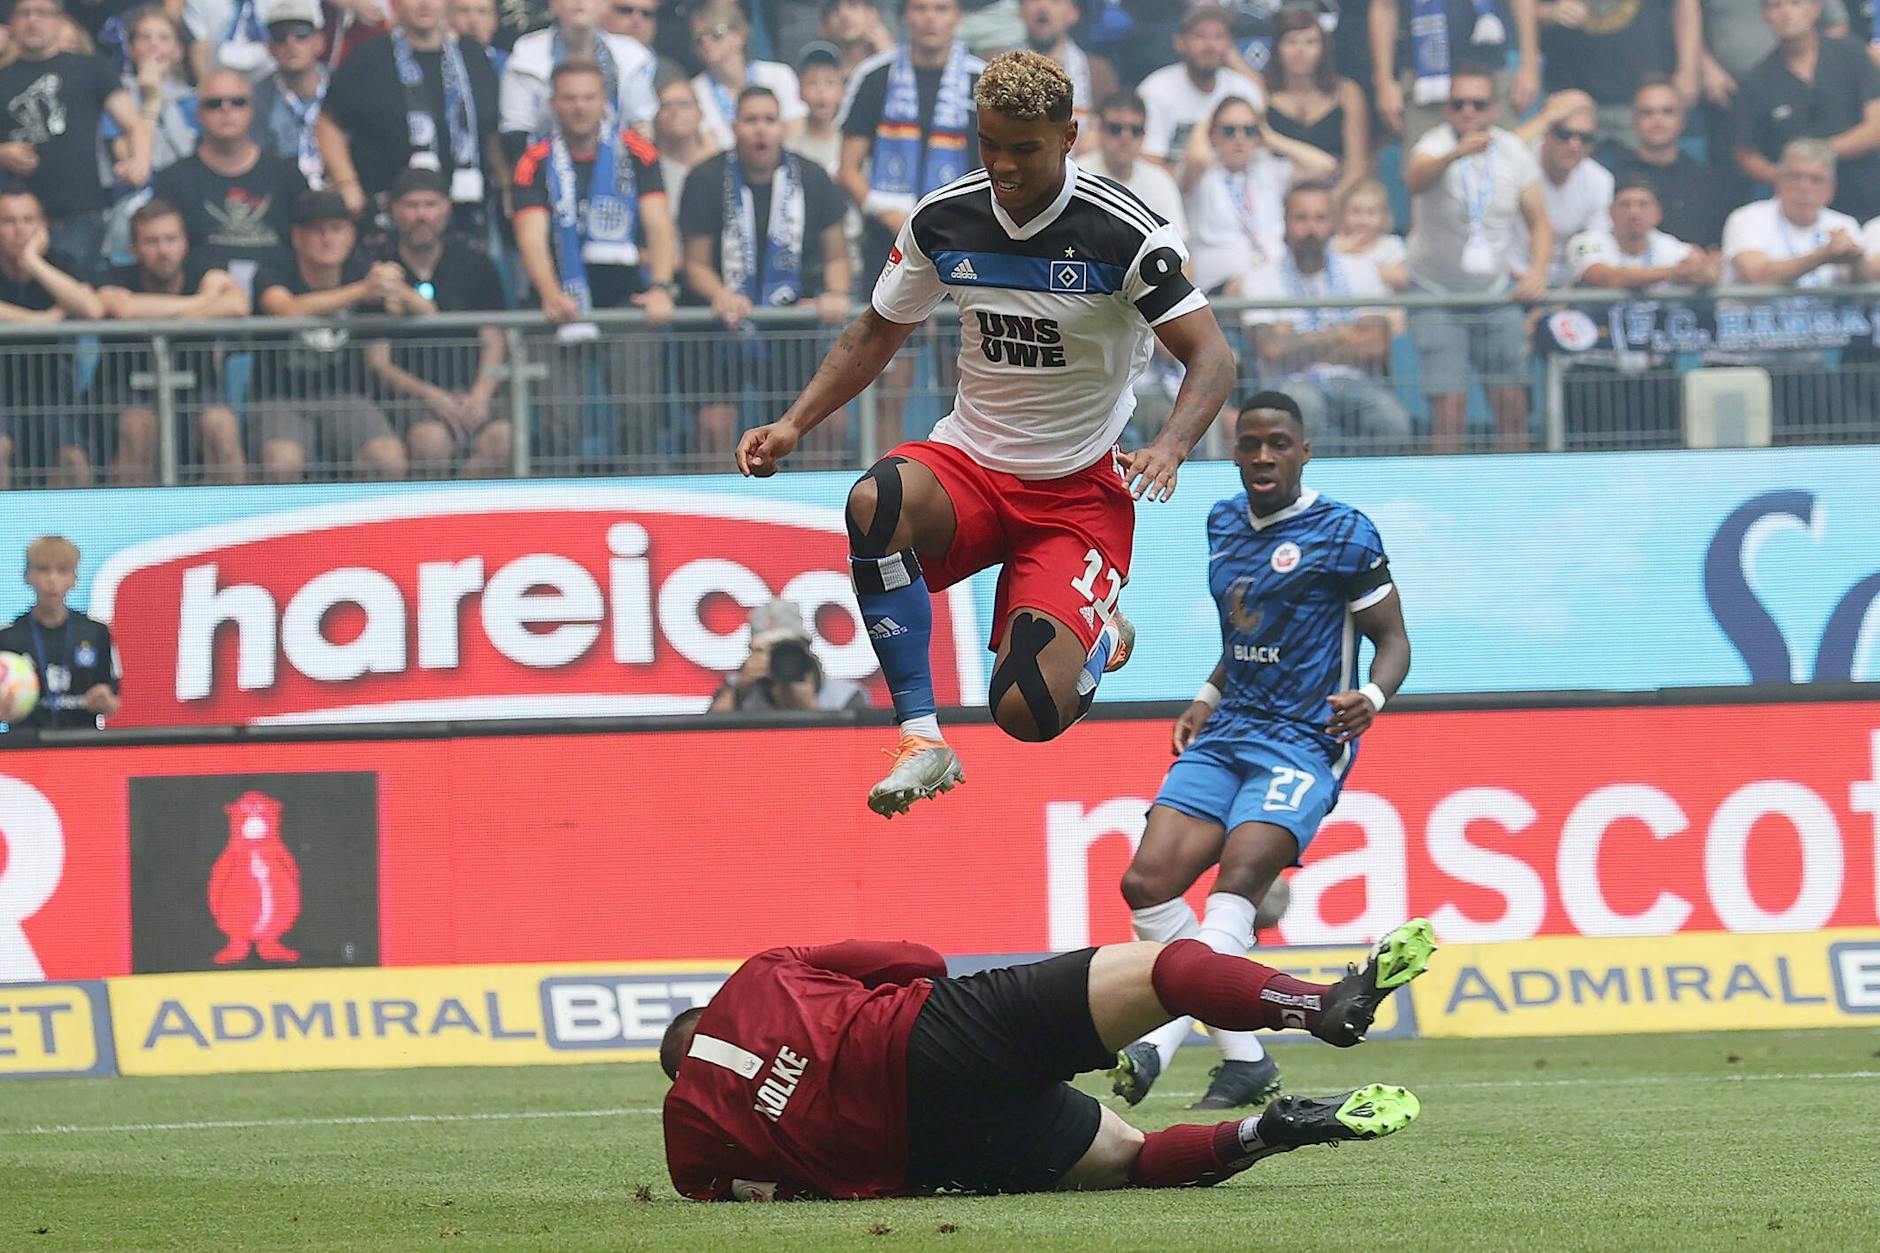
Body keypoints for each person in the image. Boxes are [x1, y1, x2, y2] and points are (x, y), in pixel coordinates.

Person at [736, 52, 1238, 817]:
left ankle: (1100, 633)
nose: (1001, 164)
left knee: (1027, 712)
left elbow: (1213, 356)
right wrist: (794, 424)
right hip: (969, 465)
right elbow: (876, 331)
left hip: (1075, 493)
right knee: (874, 500)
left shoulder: (1126, 233)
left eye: (1023, 148)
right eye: (987, 143)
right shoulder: (945, 219)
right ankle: (921, 735)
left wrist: (1170, 445)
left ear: (1070, 136)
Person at [1111, 392, 1413, 1111]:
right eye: (1250, 443)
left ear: (1304, 450)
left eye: (1279, 443)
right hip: (1229, 729)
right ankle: (1244, 1058)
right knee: (1145, 885)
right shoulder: (1221, 521)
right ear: (1235, 449)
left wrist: (1371, 696)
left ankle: (1158, 1038)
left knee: (1235, 889)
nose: (1263, 456)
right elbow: (1242, 636)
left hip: (1306, 739)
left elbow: (1394, 640)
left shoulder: (1345, 533)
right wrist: (1207, 697)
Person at [661, 919, 1435, 1199]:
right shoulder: (761, 971)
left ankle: (1268, 1131)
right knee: (1163, 969)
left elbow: (761, 1191)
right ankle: (1313, 1005)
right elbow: (921, 957)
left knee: (1131, 1157)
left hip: (927, 1150)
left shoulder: (688, 1146)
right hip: (935, 1032)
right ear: (709, 1014)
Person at [513, 60, 676, 468]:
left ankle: (645, 511)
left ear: (604, 101)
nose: (579, 107)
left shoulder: (638, 152)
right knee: (558, 425)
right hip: (559, 309)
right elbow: (531, 235)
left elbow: (659, 226)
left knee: (639, 418)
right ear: (553, 103)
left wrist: (661, 287)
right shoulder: (534, 159)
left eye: (588, 97)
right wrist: (551, 295)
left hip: (627, 302)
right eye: (569, 98)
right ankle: (557, 520)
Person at [680, 85, 852, 455]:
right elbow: (694, 263)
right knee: (715, 427)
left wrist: (835, 295)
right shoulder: (705, 179)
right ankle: (717, 508)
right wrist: (720, 294)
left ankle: (818, 508)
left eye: (769, 120)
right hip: (722, 330)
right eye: (751, 120)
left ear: (782, 128)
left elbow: (837, 256)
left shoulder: (813, 177)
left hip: (793, 328)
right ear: (734, 127)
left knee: (829, 425)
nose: (760, 129)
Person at [1404, 63, 1551, 452]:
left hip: (1495, 292)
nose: (1468, 112)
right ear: (1447, 110)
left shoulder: (1514, 151)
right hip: (1435, 293)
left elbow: (1539, 222)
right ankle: (1447, 496)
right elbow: (1414, 179)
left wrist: (1537, 272)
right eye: (1458, 104)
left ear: (1493, 109)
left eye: (1478, 104)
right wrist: (1455, 154)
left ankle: (1514, 494)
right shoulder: (1433, 144)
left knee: (1512, 405)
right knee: (1450, 409)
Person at [252, 189, 411, 480]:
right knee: (282, 462)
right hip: (279, 398)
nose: (327, 239)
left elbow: (418, 309)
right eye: (316, 231)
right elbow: (285, 309)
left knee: (388, 457)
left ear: (351, 235)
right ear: (297, 237)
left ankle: (372, 526)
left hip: (347, 396)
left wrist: (397, 288)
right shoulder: (274, 269)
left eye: (337, 229)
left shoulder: (362, 270)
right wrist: (362, 291)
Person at [363, 167, 511, 475]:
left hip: (472, 387)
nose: (421, 215)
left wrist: (480, 397)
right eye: (411, 206)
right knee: (430, 441)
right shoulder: (377, 270)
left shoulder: (475, 263)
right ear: (393, 209)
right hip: (410, 397)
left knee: (502, 439)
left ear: (447, 207)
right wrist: (433, 396)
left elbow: (495, 339)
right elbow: (378, 361)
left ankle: (467, 518)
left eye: (430, 205)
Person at [1243, 190, 1413, 452]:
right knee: (1304, 406)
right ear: (1285, 223)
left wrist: (1297, 340)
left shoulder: (1362, 270)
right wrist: (1342, 334)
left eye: (1320, 218)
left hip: (1354, 382)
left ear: (1333, 223)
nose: (1311, 228)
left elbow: (1376, 345)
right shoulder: (1261, 278)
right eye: (1301, 218)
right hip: (1290, 385)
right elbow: (1271, 349)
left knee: (1391, 419)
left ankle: (1383, 493)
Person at [96, 198, 251, 484]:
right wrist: (203, 303)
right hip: (125, 391)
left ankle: (231, 524)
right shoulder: (114, 275)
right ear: (133, 249)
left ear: (185, 244)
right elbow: (123, 309)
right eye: (151, 242)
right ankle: (131, 525)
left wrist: (161, 314)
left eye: (171, 239)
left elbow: (238, 305)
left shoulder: (205, 268)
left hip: (198, 391)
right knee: (138, 426)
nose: (163, 250)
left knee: (223, 426)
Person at [1718, 138, 1864, 436]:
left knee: (1850, 435)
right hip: (1743, 360)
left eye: (1815, 179)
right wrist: (1823, 255)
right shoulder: (1748, 219)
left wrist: (1856, 258)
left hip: (1807, 362)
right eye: (1795, 176)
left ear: (1830, 188)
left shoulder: (1842, 224)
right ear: (1779, 181)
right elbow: (1756, 275)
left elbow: (1863, 281)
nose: (1804, 187)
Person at [318, 0, 503, 229]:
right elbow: (328, 123)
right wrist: (347, 184)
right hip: (387, 215)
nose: (424, 4)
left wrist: (506, 187)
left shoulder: (473, 56)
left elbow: (491, 131)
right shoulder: (367, 58)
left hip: (466, 211)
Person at [1561, 176, 1717, 446]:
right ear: (1611, 213)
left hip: (1652, 367)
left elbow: (1707, 272)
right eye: (1625, 205)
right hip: (1596, 364)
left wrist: (1703, 269)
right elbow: (1604, 276)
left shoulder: (1667, 245)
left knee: (1661, 445)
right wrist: (1671, 272)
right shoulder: (1588, 242)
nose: (1634, 212)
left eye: (1643, 205)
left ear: (1657, 213)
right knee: (1595, 449)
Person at [838, 0, 986, 280]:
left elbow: (991, 168)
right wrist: (896, 219)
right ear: (905, 16)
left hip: (960, 238)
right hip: (886, 239)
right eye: (920, 8)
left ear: (958, 17)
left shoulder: (982, 79)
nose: (930, 18)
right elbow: (847, 169)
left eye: (941, 9)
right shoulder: (874, 76)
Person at [0, 0, 152, 270]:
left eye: (42, 13)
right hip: (17, 218)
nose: (33, 21)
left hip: (81, 210)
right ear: (11, 23)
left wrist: (140, 159)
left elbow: (133, 123)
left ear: (60, 20)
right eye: (25, 13)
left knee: (78, 296)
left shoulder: (90, 67)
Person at [154, 69, 310, 297]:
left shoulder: (286, 175)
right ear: (199, 113)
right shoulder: (174, 179)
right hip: (203, 309)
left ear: (252, 111)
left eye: (237, 102)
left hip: (282, 307)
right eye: (214, 103)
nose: (226, 110)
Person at [1733, 0, 1880, 223]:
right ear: (1765, 15)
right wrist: (1788, 175)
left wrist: (1818, 154)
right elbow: (1746, 154)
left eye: (1795, 3)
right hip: (1800, 212)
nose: (1786, 12)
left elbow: (1876, 127)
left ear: (1815, 9)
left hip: (1869, 195)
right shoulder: (1755, 82)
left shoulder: (1852, 54)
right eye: (1775, 6)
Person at [1181, 94, 1337, 295]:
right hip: (1219, 287)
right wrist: (1208, 119)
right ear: (1213, 134)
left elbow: (1325, 167)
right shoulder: (1202, 174)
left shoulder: (1267, 169)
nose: (1239, 138)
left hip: (1273, 280)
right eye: (1229, 130)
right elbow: (1197, 158)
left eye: (1248, 130)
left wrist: (1269, 137)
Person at [0, 190, 103, 490]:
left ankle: (65, 537)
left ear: (43, 226)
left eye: (28, 220)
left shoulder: (60, 263)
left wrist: (32, 261)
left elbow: (92, 309)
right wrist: (41, 322)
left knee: (73, 461)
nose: (19, 230)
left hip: (51, 393)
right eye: (8, 221)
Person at [499, 0, 657, 162]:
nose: (579, 2)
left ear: (604, 5)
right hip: (543, 166)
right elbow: (516, 127)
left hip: (619, 167)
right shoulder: (526, 55)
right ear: (553, 5)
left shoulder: (633, 57)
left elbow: (642, 122)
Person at [1370, 0, 1540, 145]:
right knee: (1426, 168)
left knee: (1501, 168)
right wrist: (1384, 81)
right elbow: (1384, 6)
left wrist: (1530, 65)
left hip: (1489, 76)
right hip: (1424, 81)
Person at [1538, 0, 1701, 143]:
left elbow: (1685, 5)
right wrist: (1550, 11)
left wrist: (1688, 70)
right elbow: (1522, 8)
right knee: (1568, 176)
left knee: (1650, 175)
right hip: (1572, 93)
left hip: (1644, 95)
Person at [0, 536, 120, 730]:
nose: (52, 580)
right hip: (26, 748)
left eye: (62, 571)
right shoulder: (7, 637)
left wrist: (106, 702)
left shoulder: (96, 632)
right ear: (27, 576)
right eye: (43, 569)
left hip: (82, 747)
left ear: (74, 579)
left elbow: (114, 699)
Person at [1603, 75, 1729, 248]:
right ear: (1634, 120)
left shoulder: (1705, 181)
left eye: (1667, 112)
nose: (1658, 120)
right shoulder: (1611, 179)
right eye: (1647, 113)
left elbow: (1715, 245)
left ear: (1683, 120)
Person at [1136, 6, 1264, 167]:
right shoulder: (1155, 90)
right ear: (1179, 42)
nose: (1210, 46)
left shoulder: (1244, 89)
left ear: (1229, 44)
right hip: (1175, 187)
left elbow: (1258, 156)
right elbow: (1150, 164)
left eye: (1218, 37)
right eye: (1199, 36)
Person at [1264, 5, 1369, 198]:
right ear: (1277, 49)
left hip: (1336, 195)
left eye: (1310, 42)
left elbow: (1357, 168)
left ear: (1324, 48)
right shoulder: (1263, 94)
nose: (1300, 51)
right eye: (1291, 42)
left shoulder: (1347, 92)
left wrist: (1330, 204)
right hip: (1276, 193)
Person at [1512, 89, 1613, 285]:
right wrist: (1548, 117)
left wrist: (1564, 299)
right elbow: (1493, 157)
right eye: (1564, 134)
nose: (1574, 145)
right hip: (1511, 280)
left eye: (1585, 138)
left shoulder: (1600, 179)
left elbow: (1594, 247)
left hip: (1568, 286)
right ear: (1546, 131)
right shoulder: (1518, 160)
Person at [707, 598, 872, 712]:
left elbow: (853, 753)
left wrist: (813, 712)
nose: (779, 657)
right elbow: (707, 740)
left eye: (786, 647)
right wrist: (739, 690)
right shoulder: (740, 692)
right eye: (767, 650)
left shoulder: (845, 696)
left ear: (806, 648)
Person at [689, 0, 805, 152]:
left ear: (740, 36)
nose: (706, 42)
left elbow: (796, 133)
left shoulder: (779, 75)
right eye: (699, 39)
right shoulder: (695, 91)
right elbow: (708, 149)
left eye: (716, 34)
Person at [250, 0, 332, 187]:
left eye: (301, 34)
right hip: (281, 193)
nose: (291, 43)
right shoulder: (255, 98)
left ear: (319, 42)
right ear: (270, 48)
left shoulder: (344, 85)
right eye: (280, 36)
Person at [1018, 0, 1116, 154]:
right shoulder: (996, 68)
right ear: (1021, 11)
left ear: (1073, 13)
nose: (1043, 6)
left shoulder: (1098, 71)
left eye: (1055, 1)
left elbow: (1116, 129)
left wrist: (1101, 137)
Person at [1085, 90, 1186, 234]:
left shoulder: (1160, 181)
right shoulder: (1078, 175)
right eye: (1115, 128)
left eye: (1135, 130)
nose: (1125, 137)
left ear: (1144, 135)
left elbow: (1176, 243)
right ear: (1099, 130)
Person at [1333, 177, 1408, 289]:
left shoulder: (1391, 245)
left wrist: (1370, 269)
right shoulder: (1335, 244)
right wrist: (1344, 249)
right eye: (1356, 211)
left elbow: (1401, 280)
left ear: (1383, 216)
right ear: (1343, 214)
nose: (1362, 220)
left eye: (1370, 212)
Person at [653, 74, 715, 197]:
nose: (674, 112)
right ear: (657, 117)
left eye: (684, 104)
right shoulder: (648, 169)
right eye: (666, 105)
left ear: (700, 113)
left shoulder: (722, 164)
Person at [790, 41, 848, 172]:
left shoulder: (850, 145)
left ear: (842, 91)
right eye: (812, 83)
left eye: (830, 83)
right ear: (800, 92)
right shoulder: (790, 148)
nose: (821, 91)